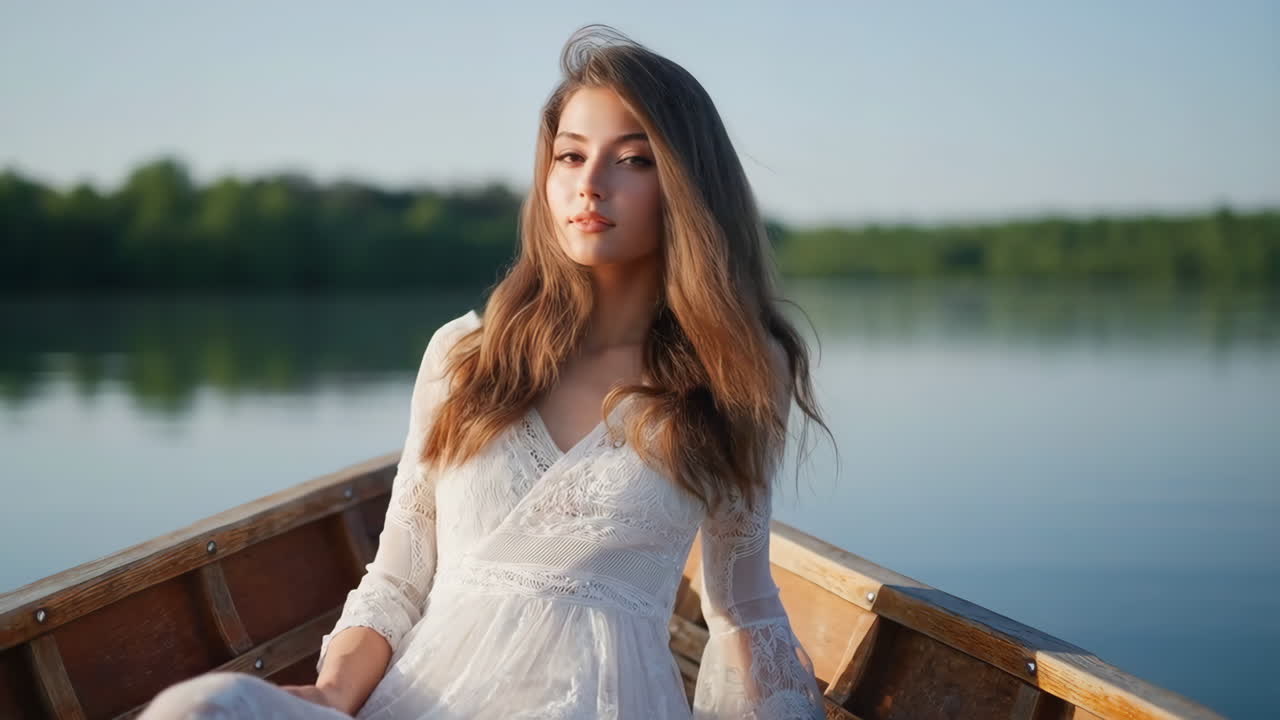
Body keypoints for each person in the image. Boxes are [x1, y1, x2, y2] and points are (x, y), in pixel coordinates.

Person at [141, 22, 833, 720]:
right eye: (569, 156)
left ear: (687, 185)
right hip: (422, 701)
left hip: (598, 707)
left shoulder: (734, 372)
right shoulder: (466, 355)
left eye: (634, 160)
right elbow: (399, 578)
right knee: (199, 705)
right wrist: (330, 694)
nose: (589, 185)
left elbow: (741, 603)